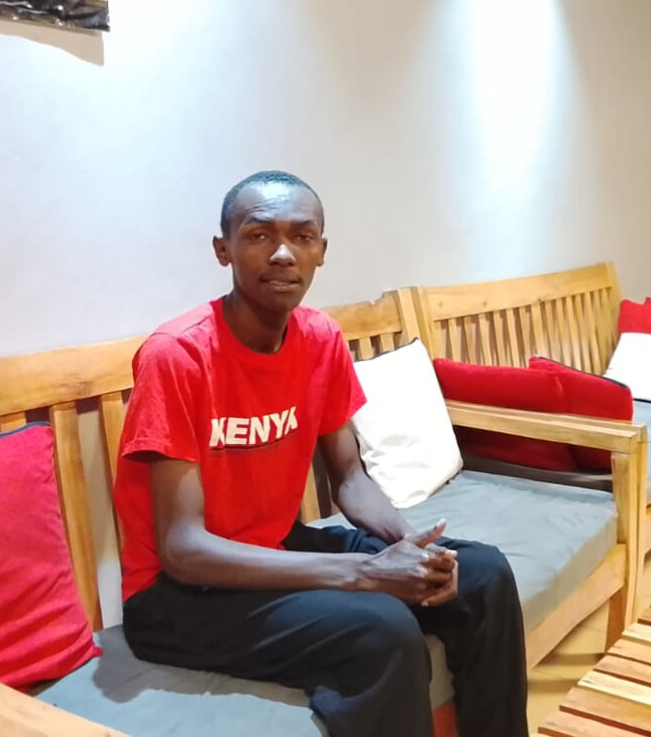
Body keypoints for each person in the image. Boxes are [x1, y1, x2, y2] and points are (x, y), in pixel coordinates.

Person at [113, 170, 529, 737]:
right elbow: (183, 550)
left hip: (274, 548)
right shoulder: (178, 356)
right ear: (222, 249)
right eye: (259, 235)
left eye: (302, 236)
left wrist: (411, 549)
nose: (283, 253)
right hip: (177, 596)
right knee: (380, 628)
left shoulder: (320, 339)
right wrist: (366, 573)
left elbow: (350, 478)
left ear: (321, 251)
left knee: (482, 574)